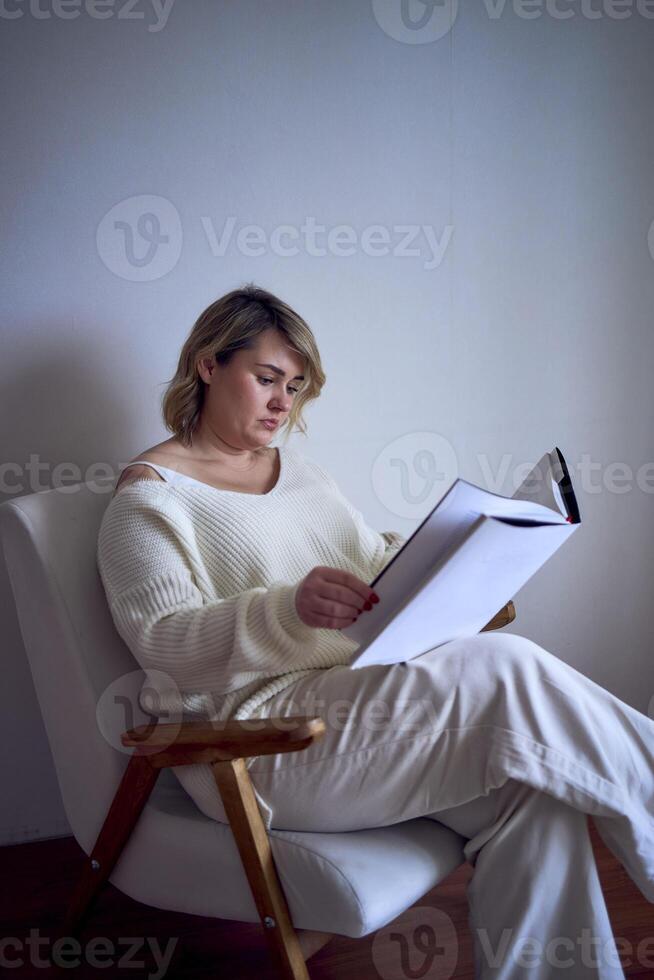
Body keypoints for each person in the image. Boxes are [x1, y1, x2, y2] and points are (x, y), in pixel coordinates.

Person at [97, 284, 654, 980]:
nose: (283, 403)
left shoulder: (297, 474)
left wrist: (446, 559)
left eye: (295, 387)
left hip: (350, 706)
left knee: (529, 793)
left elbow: (366, 565)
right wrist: (286, 611)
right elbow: (165, 646)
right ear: (208, 365)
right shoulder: (148, 502)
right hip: (255, 742)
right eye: (266, 378)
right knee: (504, 668)